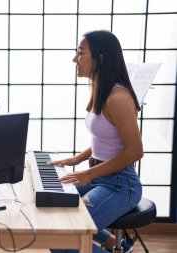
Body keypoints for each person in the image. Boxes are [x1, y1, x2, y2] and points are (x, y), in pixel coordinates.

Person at [50, 30, 143, 253]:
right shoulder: (101, 90)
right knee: (51, 206)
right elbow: (107, 138)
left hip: (120, 185)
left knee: (62, 241)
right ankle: (112, 242)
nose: (75, 59)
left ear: (100, 58)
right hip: (100, 177)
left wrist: (89, 173)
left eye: (81, 53)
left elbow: (134, 152)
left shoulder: (117, 98)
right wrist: (78, 158)